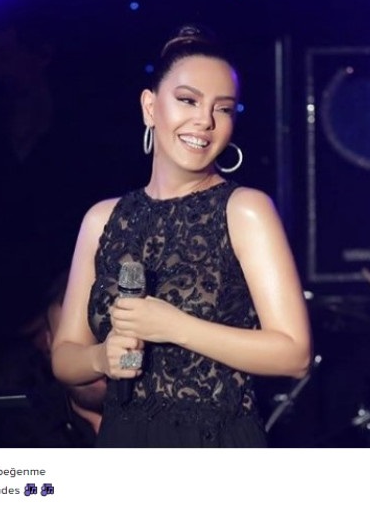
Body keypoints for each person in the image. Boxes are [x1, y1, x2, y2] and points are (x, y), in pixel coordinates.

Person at [51, 24, 311, 447]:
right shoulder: (102, 219)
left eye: (223, 109)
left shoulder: (245, 209)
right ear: (150, 106)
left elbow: (294, 354)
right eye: (188, 100)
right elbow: (64, 356)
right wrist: (101, 356)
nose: (205, 120)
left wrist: (174, 326)